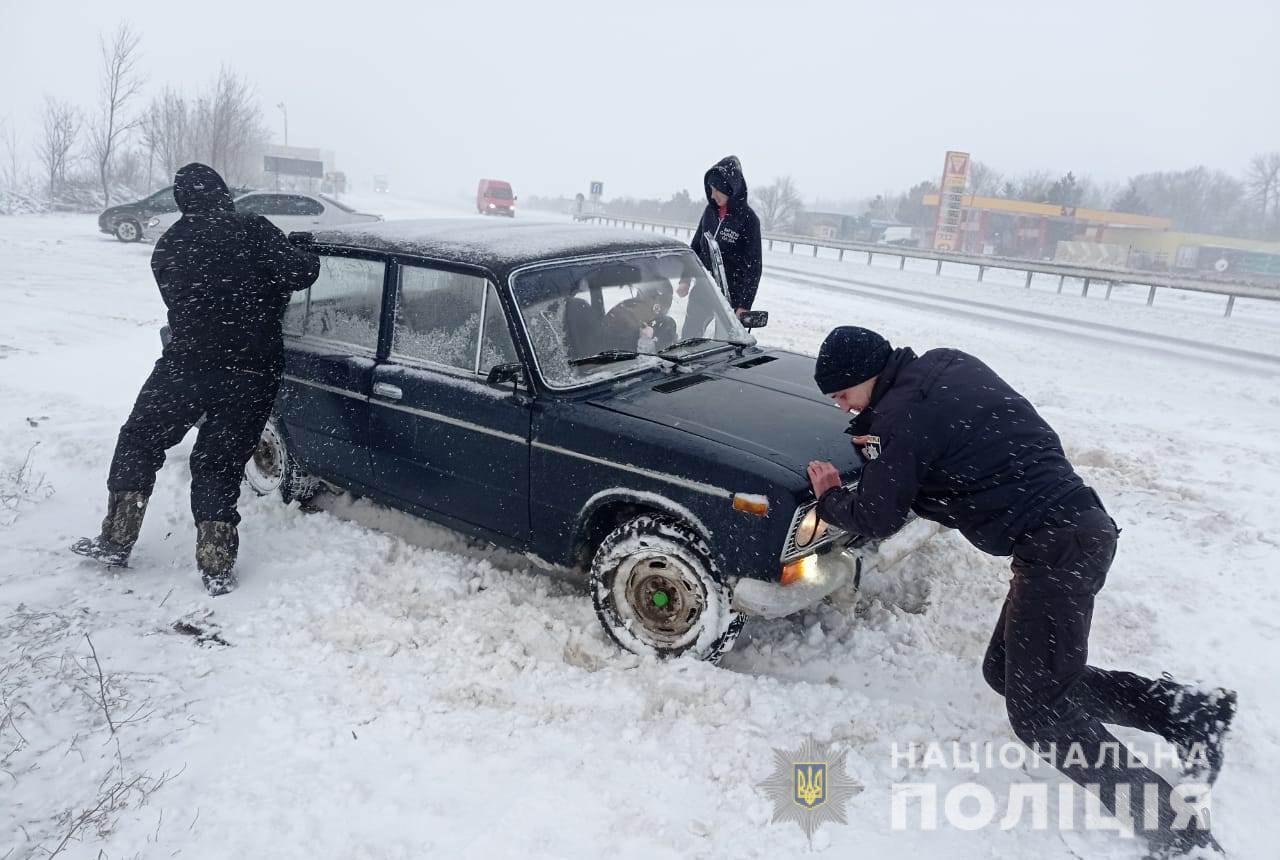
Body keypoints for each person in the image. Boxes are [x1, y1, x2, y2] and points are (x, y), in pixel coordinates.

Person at [805, 326, 1236, 859]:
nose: (843, 408)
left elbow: (878, 515)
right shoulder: (942, 365)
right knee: (1005, 672)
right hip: (1072, 528)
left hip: (1057, 545)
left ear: (867, 376)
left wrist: (831, 498)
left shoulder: (901, 417)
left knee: (1038, 712)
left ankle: (1179, 832)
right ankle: (1184, 709)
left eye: (844, 395)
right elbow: (955, 447)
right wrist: (883, 440)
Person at [72, 163, 320, 596]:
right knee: (218, 464)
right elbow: (300, 274)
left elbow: (189, 300)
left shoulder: (168, 245)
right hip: (249, 371)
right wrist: (301, 252)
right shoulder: (253, 229)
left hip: (184, 367)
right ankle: (216, 565)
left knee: (140, 441)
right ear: (223, 193)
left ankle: (117, 537)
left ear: (181, 200)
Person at [678, 155, 762, 338]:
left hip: (731, 295)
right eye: (710, 189)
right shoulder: (709, 213)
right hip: (704, 286)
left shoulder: (749, 220)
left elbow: (753, 267)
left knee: (725, 342)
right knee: (690, 335)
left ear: (731, 189)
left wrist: (744, 305)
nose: (712, 195)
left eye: (717, 190)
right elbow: (695, 248)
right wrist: (685, 279)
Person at [600, 280, 677, 353]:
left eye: (668, 300)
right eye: (664, 301)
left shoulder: (667, 324)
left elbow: (668, 355)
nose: (666, 306)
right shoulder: (621, 319)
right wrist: (645, 341)